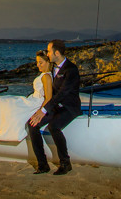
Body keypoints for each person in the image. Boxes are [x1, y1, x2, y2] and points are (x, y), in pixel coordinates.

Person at [27, 39, 80, 175]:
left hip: (69, 107)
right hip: (55, 107)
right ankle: (43, 164)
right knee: (33, 125)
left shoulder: (71, 69)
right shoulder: (53, 68)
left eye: (49, 51)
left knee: (53, 127)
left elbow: (62, 93)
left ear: (57, 53)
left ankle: (65, 163)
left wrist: (43, 110)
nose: (48, 53)